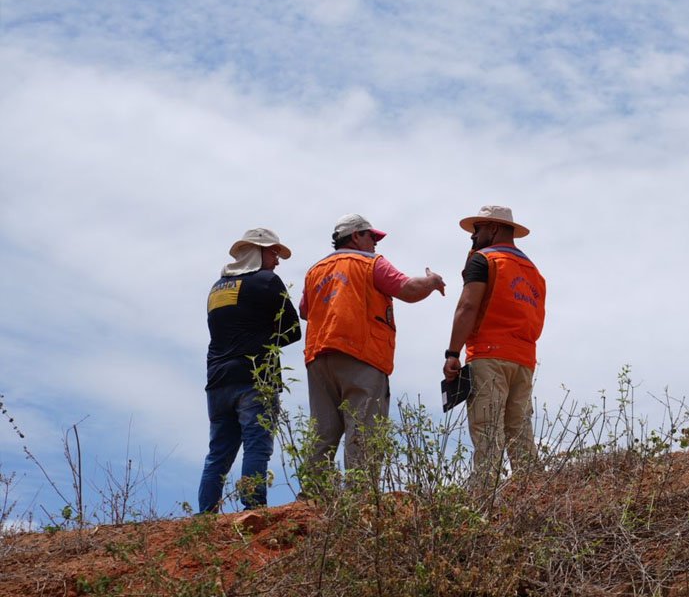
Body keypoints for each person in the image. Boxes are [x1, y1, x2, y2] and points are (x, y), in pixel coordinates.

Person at [300, 213, 446, 487]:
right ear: (356, 236)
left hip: (319, 357)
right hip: (361, 355)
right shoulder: (370, 263)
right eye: (371, 236)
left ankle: (313, 494)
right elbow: (408, 289)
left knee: (322, 430)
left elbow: (304, 311)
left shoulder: (314, 271)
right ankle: (360, 495)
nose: (375, 243)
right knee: (364, 428)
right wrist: (432, 281)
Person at [443, 205, 546, 496]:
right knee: (520, 431)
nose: (473, 236)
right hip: (524, 360)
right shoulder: (534, 272)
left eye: (477, 229)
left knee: (487, 430)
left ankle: (483, 499)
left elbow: (468, 307)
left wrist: (452, 353)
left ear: (494, 228)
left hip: (488, 355)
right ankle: (536, 496)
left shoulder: (484, 260)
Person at [199, 227, 301, 513]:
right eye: (273, 253)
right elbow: (293, 330)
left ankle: (205, 513)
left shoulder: (217, 288)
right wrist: (264, 340)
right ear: (257, 252)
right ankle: (253, 509)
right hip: (255, 377)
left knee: (218, 452)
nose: (277, 261)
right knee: (257, 446)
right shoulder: (267, 281)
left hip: (218, 379)